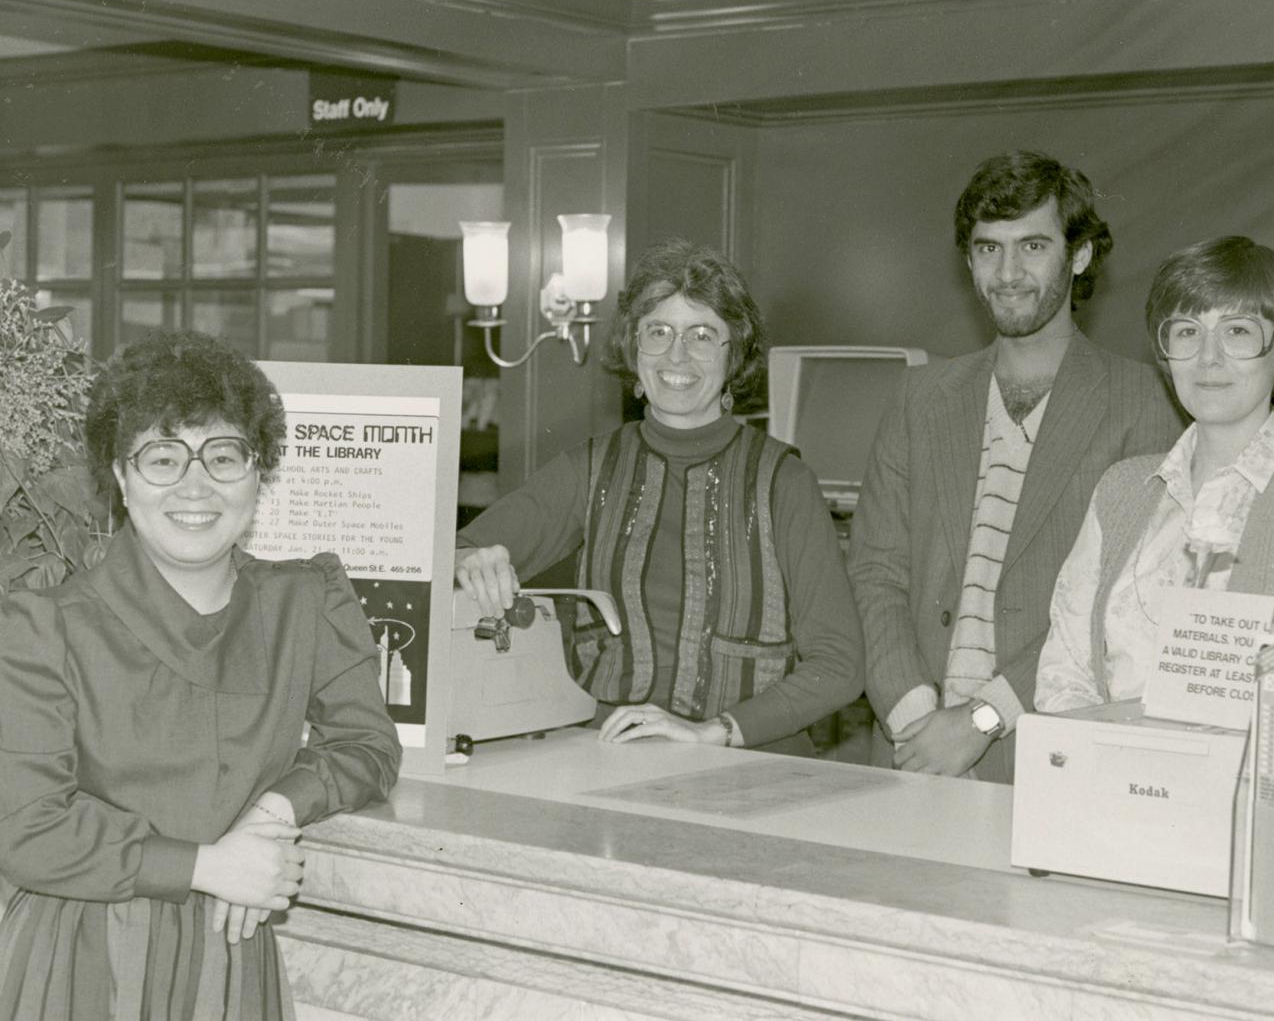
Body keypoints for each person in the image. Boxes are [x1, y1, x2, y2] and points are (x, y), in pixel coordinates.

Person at [0, 330, 402, 1019]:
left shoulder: (306, 599)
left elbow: (367, 745)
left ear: (259, 472)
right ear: (121, 478)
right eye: (162, 457)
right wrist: (210, 867)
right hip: (86, 959)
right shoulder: (41, 625)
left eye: (223, 456)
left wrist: (274, 810)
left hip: (230, 961)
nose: (196, 485)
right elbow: (26, 830)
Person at [847, 150, 1181, 782]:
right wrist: (919, 720)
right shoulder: (919, 398)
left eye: (1032, 246)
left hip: (1046, 759)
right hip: (909, 752)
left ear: (1079, 256)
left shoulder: (1144, 405)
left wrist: (979, 722)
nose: (1007, 272)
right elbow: (874, 574)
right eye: (987, 248)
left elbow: (1117, 611)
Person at [456, 238, 864, 755]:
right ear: (634, 353)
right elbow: (453, 554)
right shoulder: (590, 468)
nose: (677, 355)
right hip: (609, 754)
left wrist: (711, 732)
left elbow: (840, 665)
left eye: (701, 335)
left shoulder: (784, 480)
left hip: (746, 765)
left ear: (733, 357)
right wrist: (472, 560)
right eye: (659, 332)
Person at [1034, 236, 1274, 712]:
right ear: (1165, 354)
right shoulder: (1121, 490)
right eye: (1187, 331)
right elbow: (1064, 670)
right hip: (1108, 775)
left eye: (1238, 331)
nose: (1209, 357)